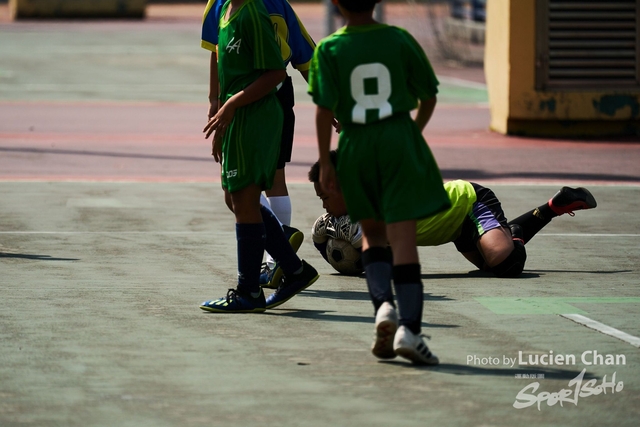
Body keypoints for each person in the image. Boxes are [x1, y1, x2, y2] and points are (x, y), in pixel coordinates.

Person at [309, 0, 452, 365]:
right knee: (402, 238)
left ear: (337, 4)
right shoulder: (399, 39)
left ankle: (383, 307)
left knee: (371, 234)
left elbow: (324, 110)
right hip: (397, 139)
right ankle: (410, 330)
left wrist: (327, 161)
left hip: (355, 145)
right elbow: (429, 96)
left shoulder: (330, 48)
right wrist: (411, 135)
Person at [199, 0, 318, 313]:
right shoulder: (224, 10)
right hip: (236, 116)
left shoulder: (252, 13)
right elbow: (221, 62)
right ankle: (293, 269)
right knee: (234, 197)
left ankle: (249, 291)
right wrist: (220, 108)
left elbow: (275, 73)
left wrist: (231, 106)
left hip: (255, 117)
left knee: (245, 199)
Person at [308, 151, 598, 278]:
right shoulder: (351, 217)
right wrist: (325, 245)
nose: (323, 205)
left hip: (468, 204)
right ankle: (528, 222)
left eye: (325, 196)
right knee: (489, 267)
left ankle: (551, 209)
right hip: (453, 230)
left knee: (505, 265)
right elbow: (359, 265)